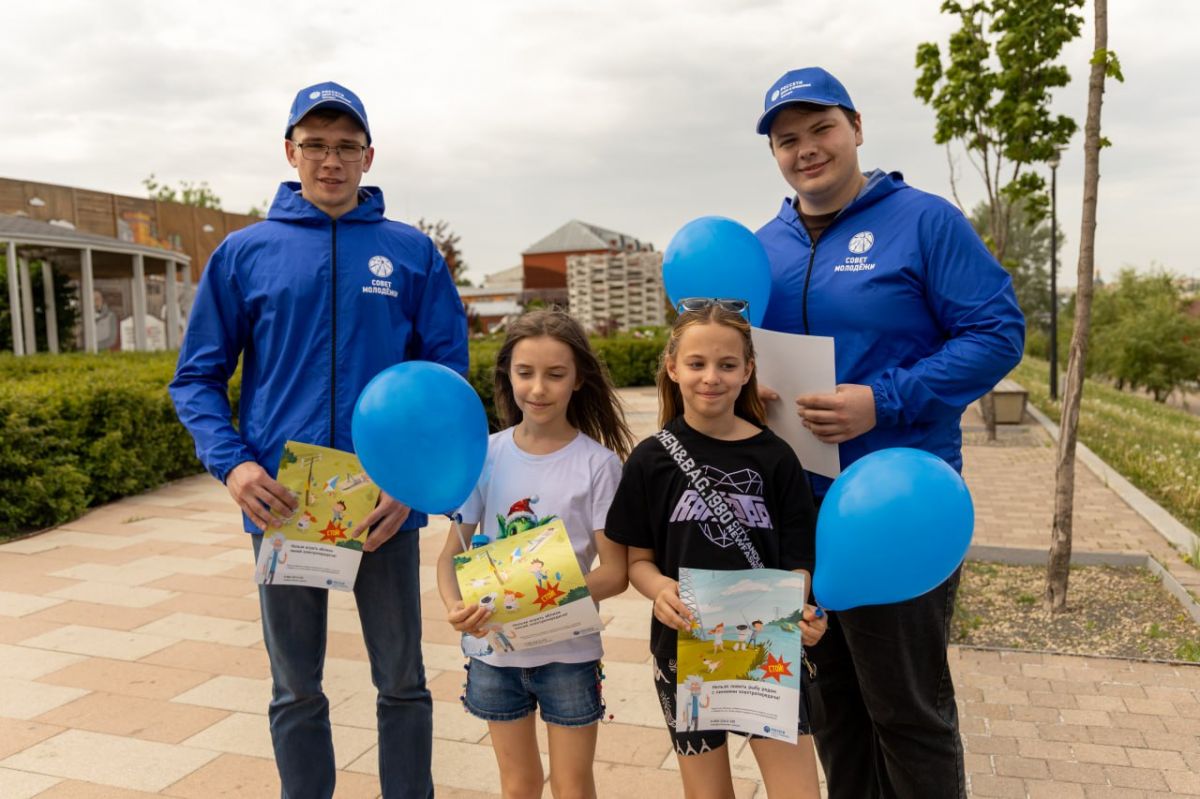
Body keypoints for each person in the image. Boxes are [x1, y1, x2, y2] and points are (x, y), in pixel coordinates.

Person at [169, 80, 467, 799]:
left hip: (382, 501)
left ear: (369, 156)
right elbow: (197, 378)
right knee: (295, 686)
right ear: (289, 151)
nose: (330, 160)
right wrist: (235, 468)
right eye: (315, 145)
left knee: (402, 681)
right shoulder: (245, 254)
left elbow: (445, 377)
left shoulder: (411, 253)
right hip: (283, 500)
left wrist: (410, 483)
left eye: (345, 147)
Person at [753, 67, 1026, 798]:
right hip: (795, 513)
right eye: (788, 140)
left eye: (822, 129)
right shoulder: (762, 247)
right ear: (774, 153)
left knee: (907, 712)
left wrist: (884, 400)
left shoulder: (925, 222)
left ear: (857, 128)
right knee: (831, 710)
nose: (807, 149)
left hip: (895, 508)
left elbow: (998, 333)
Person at [604, 301, 827, 798]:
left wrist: (802, 609)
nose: (711, 377)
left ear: (748, 371)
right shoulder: (650, 460)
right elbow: (638, 561)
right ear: (672, 367)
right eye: (697, 363)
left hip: (767, 649)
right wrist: (659, 589)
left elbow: (799, 562)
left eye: (727, 365)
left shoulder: (777, 458)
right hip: (683, 652)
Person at [435, 309, 635, 799]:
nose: (538, 389)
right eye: (525, 373)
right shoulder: (484, 455)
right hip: (493, 654)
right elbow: (449, 556)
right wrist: (455, 607)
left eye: (555, 374)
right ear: (508, 373)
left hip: (569, 655)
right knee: (518, 785)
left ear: (578, 379)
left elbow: (615, 573)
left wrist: (535, 597)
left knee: (572, 786)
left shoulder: (599, 465)